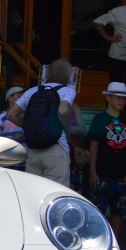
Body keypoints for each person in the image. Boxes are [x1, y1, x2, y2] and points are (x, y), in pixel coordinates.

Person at [7, 58, 78, 187]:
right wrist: (67, 127)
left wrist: (31, 126)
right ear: (68, 76)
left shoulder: (32, 91)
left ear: (48, 74)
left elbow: (11, 114)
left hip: (33, 150)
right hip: (56, 148)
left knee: (34, 192)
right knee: (56, 192)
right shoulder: (67, 91)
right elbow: (63, 110)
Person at [86, 81, 126, 236]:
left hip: (123, 173)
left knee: (119, 210)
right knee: (96, 211)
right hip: (102, 172)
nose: (121, 101)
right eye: (117, 97)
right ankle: (96, 241)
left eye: (124, 98)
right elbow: (93, 145)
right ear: (108, 98)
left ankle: (115, 244)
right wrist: (92, 171)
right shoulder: (99, 119)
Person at [0, 85, 26, 171]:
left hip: (26, 162)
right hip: (9, 162)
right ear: (10, 98)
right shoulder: (2, 117)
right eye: (19, 97)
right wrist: (13, 138)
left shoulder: (27, 117)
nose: (23, 100)